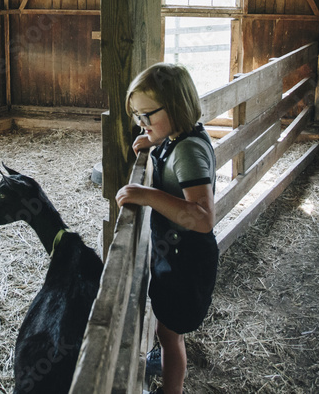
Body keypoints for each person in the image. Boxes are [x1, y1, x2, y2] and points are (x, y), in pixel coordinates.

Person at [115, 62, 218, 394]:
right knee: (167, 329)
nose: (142, 124)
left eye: (148, 116)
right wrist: (153, 143)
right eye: (137, 117)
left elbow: (203, 218)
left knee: (169, 335)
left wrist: (147, 195)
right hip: (173, 252)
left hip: (186, 259)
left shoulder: (187, 150)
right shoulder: (175, 138)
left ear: (175, 107)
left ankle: (171, 388)